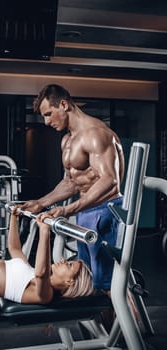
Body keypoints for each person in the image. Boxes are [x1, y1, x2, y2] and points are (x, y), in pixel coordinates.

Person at [19, 84, 125, 293]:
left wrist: (69, 209)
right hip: (85, 211)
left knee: (110, 285)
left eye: (49, 114)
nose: (47, 121)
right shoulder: (67, 140)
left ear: (64, 105)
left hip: (106, 211)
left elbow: (109, 180)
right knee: (86, 279)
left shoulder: (96, 134)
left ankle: (132, 326)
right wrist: (41, 203)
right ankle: (105, 325)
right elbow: (71, 182)